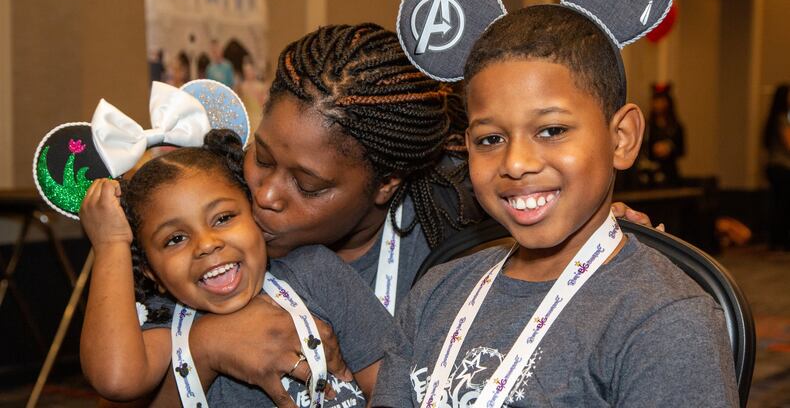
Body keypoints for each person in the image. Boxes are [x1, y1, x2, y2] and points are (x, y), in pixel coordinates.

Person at [92, 24, 657, 408]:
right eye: (261, 155)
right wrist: (206, 347)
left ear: (386, 185)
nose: (264, 193)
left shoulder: (454, 250)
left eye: (307, 185)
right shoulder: (205, 224)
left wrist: (592, 233)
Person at [372, 5, 738, 406]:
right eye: (490, 139)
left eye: (551, 130)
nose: (515, 163)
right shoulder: (435, 294)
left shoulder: (665, 319)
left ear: (621, 139)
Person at [79, 130, 390, 406]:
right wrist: (111, 245)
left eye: (223, 218)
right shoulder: (166, 325)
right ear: (152, 272)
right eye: (175, 239)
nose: (206, 244)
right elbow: (116, 380)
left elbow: (390, 378)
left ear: (254, 214)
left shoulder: (316, 271)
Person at [763, 84, 790, 251]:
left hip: (776, 167)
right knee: (783, 206)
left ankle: (777, 240)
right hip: (782, 168)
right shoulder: (781, 118)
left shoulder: (777, 117)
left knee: (780, 205)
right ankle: (780, 240)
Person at [646, 83, 685, 186]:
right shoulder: (648, 126)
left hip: (671, 173)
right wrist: (654, 149)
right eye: (656, 101)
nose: (659, 104)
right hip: (651, 174)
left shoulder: (676, 126)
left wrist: (670, 147)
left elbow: (682, 150)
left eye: (662, 100)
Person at [237, 56, 270, 132]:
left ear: (254, 71)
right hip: (248, 119)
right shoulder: (242, 87)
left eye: (250, 71)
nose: (248, 73)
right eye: (246, 72)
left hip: (259, 118)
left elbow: (264, 103)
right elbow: (241, 103)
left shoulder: (261, 86)